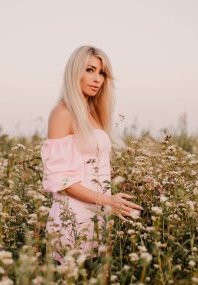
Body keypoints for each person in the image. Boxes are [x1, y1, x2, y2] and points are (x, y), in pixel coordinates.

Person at [40, 45, 143, 264]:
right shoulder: (63, 112)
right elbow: (62, 180)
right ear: (74, 71)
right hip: (72, 219)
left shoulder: (93, 113)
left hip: (98, 216)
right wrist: (107, 200)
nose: (97, 78)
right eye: (90, 70)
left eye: (102, 73)